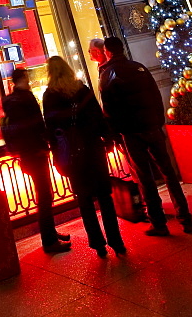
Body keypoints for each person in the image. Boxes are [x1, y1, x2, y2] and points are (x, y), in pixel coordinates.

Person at [99, 35, 192, 236]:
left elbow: (109, 109)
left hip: (132, 133)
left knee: (145, 179)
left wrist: (116, 134)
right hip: (151, 127)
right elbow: (156, 95)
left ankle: (158, 223)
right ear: (122, 48)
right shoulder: (139, 68)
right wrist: (158, 122)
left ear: (107, 51)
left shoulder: (108, 75)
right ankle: (185, 217)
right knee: (168, 173)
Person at [43, 56, 126, 257]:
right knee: (105, 197)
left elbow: (51, 128)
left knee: (85, 200)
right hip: (93, 148)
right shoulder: (82, 89)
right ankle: (116, 241)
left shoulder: (50, 96)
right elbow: (98, 116)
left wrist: (56, 153)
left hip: (72, 153)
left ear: (50, 73)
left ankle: (97, 244)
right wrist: (108, 138)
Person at [1, 67, 72, 254]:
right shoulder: (26, 98)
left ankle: (51, 233)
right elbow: (37, 123)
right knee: (45, 195)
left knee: (44, 194)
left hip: (25, 154)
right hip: (35, 152)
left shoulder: (9, 100)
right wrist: (46, 139)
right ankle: (49, 241)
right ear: (24, 78)